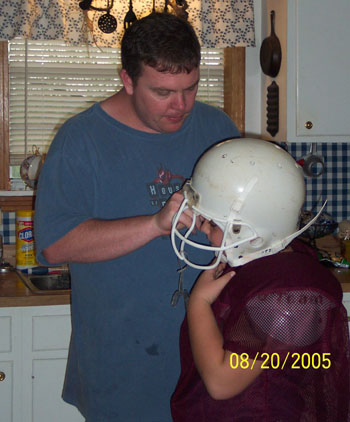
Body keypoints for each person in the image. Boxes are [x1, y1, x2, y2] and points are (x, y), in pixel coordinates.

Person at [33, 11, 240, 422]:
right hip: (121, 368)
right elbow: (54, 245)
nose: (180, 106)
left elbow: (240, 228)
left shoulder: (217, 128)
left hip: (210, 362)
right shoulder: (80, 140)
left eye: (190, 88)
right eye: (162, 92)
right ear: (127, 80)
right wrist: (154, 225)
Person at [170, 138, 350, 421]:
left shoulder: (285, 300)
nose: (202, 228)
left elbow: (221, 382)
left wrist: (199, 304)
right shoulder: (266, 262)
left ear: (251, 232)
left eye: (213, 223)